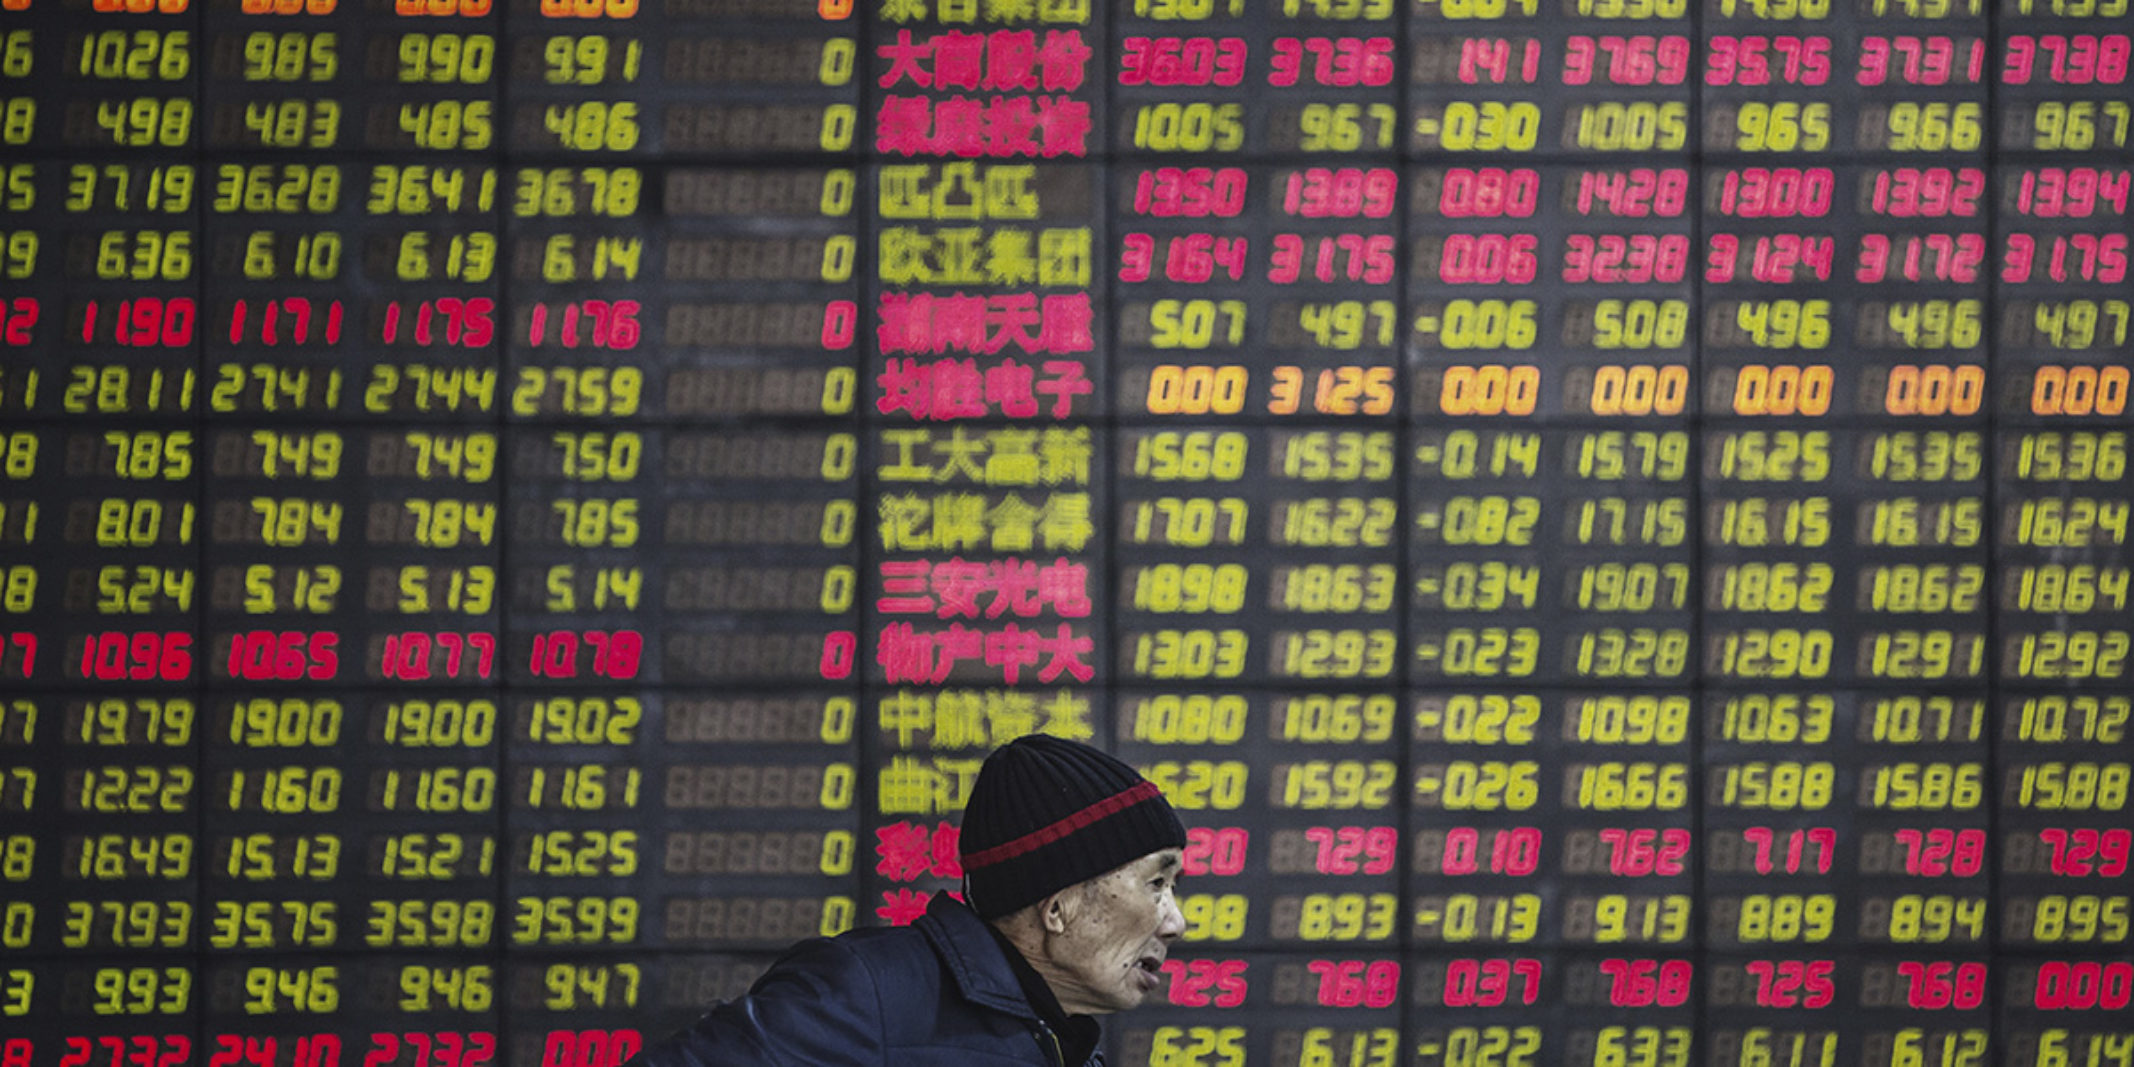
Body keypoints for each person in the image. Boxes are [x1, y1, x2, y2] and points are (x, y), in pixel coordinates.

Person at [631, 734, 1188, 1066]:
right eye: (1157, 884)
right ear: (1058, 907)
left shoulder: (1068, 1044)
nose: (1174, 923)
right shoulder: (870, 990)